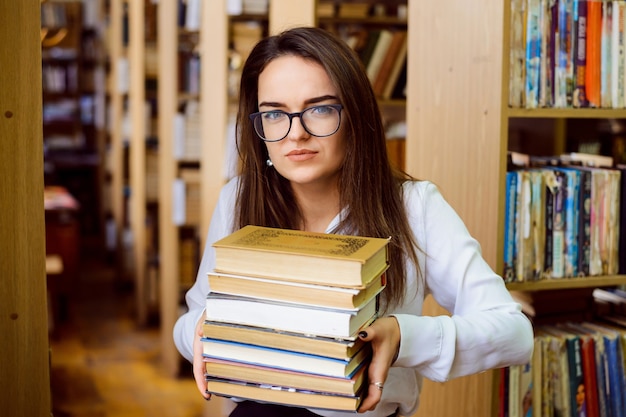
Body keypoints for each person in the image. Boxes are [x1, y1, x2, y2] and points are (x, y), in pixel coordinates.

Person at [173, 26, 534, 417]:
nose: (296, 134)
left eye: (320, 109)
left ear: (355, 117)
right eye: (275, 114)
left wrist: (403, 336)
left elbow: (513, 333)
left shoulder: (414, 207)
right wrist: (206, 331)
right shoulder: (237, 199)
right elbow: (193, 321)